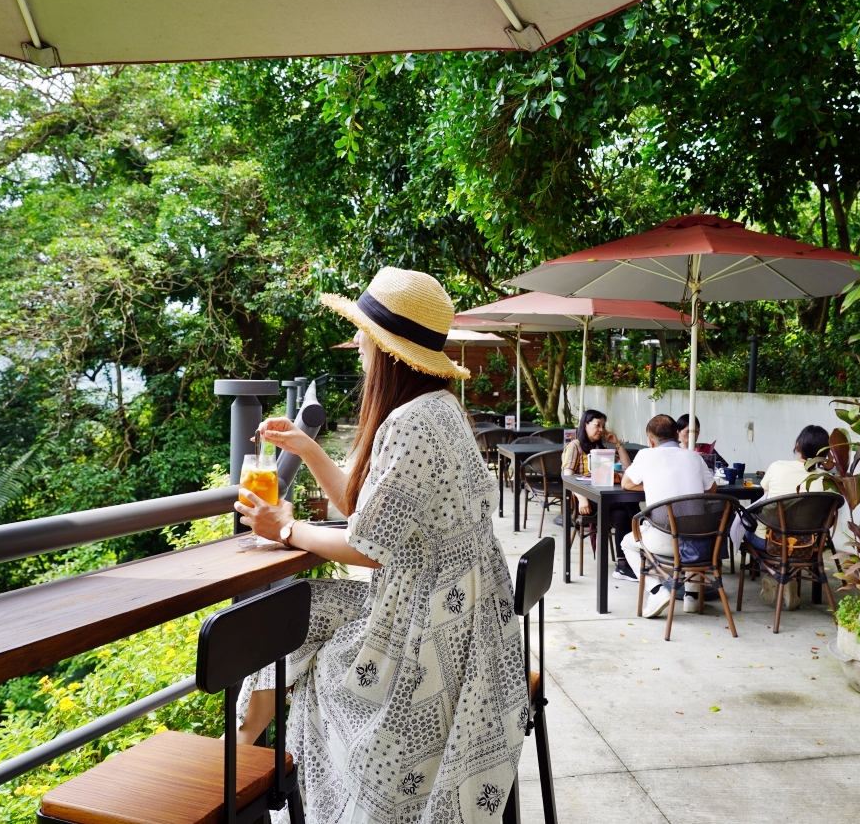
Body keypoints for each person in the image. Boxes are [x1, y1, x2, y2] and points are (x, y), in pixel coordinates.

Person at [233, 267, 527, 824]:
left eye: (366, 336)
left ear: (389, 352)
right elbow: (370, 512)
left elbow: (369, 546)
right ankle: (246, 766)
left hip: (430, 629)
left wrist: (285, 529)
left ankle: (246, 779)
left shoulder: (413, 421)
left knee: (293, 631)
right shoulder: (441, 410)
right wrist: (307, 447)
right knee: (301, 614)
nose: (361, 345)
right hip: (461, 617)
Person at [619, 414, 717, 618]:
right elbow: (712, 488)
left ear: (650, 440)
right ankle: (691, 598)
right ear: (676, 434)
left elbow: (626, 484)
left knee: (627, 543)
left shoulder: (646, 455)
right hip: (700, 541)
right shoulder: (694, 456)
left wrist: (653, 484)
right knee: (691, 521)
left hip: (665, 539)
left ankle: (656, 591)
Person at [730, 424, 830, 612]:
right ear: (824, 453)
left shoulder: (778, 467)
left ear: (797, 445)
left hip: (770, 542)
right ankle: (786, 578)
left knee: (747, 534)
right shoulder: (827, 479)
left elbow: (766, 493)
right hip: (808, 545)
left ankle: (776, 576)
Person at [561, 408, 634, 568]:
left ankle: (623, 565)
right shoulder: (575, 446)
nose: (601, 429)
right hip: (588, 499)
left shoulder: (604, 449)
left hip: (607, 498)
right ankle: (643, 537)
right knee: (630, 503)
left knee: (622, 516)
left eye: (603, 425)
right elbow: (567, 476)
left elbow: (627, 468)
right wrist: (582, 499)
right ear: (585, 425)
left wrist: (617, 444)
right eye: (597, 425)